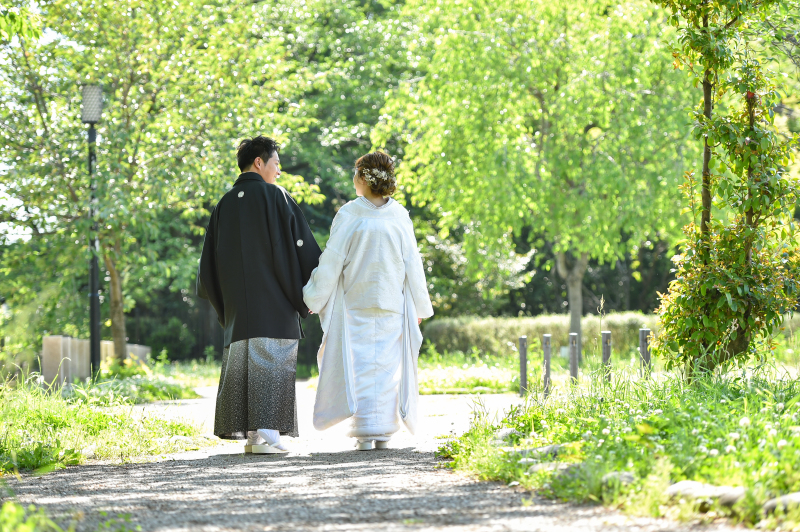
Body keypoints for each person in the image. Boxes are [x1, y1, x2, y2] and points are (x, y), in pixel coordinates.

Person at [197, 135, 321, 454]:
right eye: (276, 164)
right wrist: (307, 294)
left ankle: (253, 434)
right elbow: (298, 248)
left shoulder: (223, 205)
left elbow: (207, 268)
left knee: (245, 363)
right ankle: (267, 430)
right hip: (274, 301)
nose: (278, 171)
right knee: (271, 358)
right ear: (259, 163)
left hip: (238, 311)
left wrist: (227, 309)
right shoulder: (275, 196)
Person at [302, 151, 433, 450]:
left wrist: (314, 296)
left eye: (355, 173)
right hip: (391, 302)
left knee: (357, 365)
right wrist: (420, 306)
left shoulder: (349, 213)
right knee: (387, 367)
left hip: (354, 302)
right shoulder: (399, 215)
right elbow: (413, 263)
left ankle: (363, 430)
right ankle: (384, 431)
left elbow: (332, 261)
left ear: (363, 177)